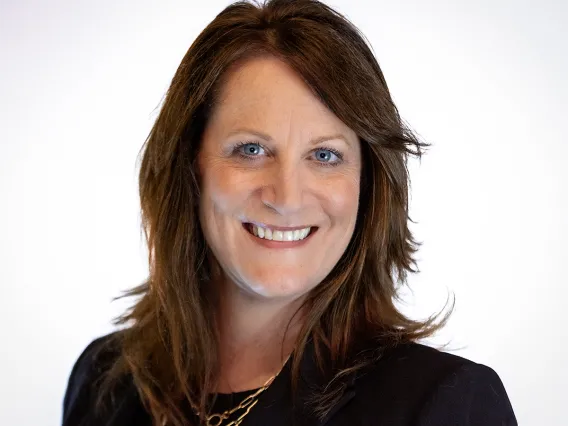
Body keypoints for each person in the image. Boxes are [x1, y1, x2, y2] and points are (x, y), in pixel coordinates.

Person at [62, 0, 517, 425]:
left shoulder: (445, 404)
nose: (287, 196)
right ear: (190, 167)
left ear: (368, 183)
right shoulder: (106, 382)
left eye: (324, 156)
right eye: (252, 149)